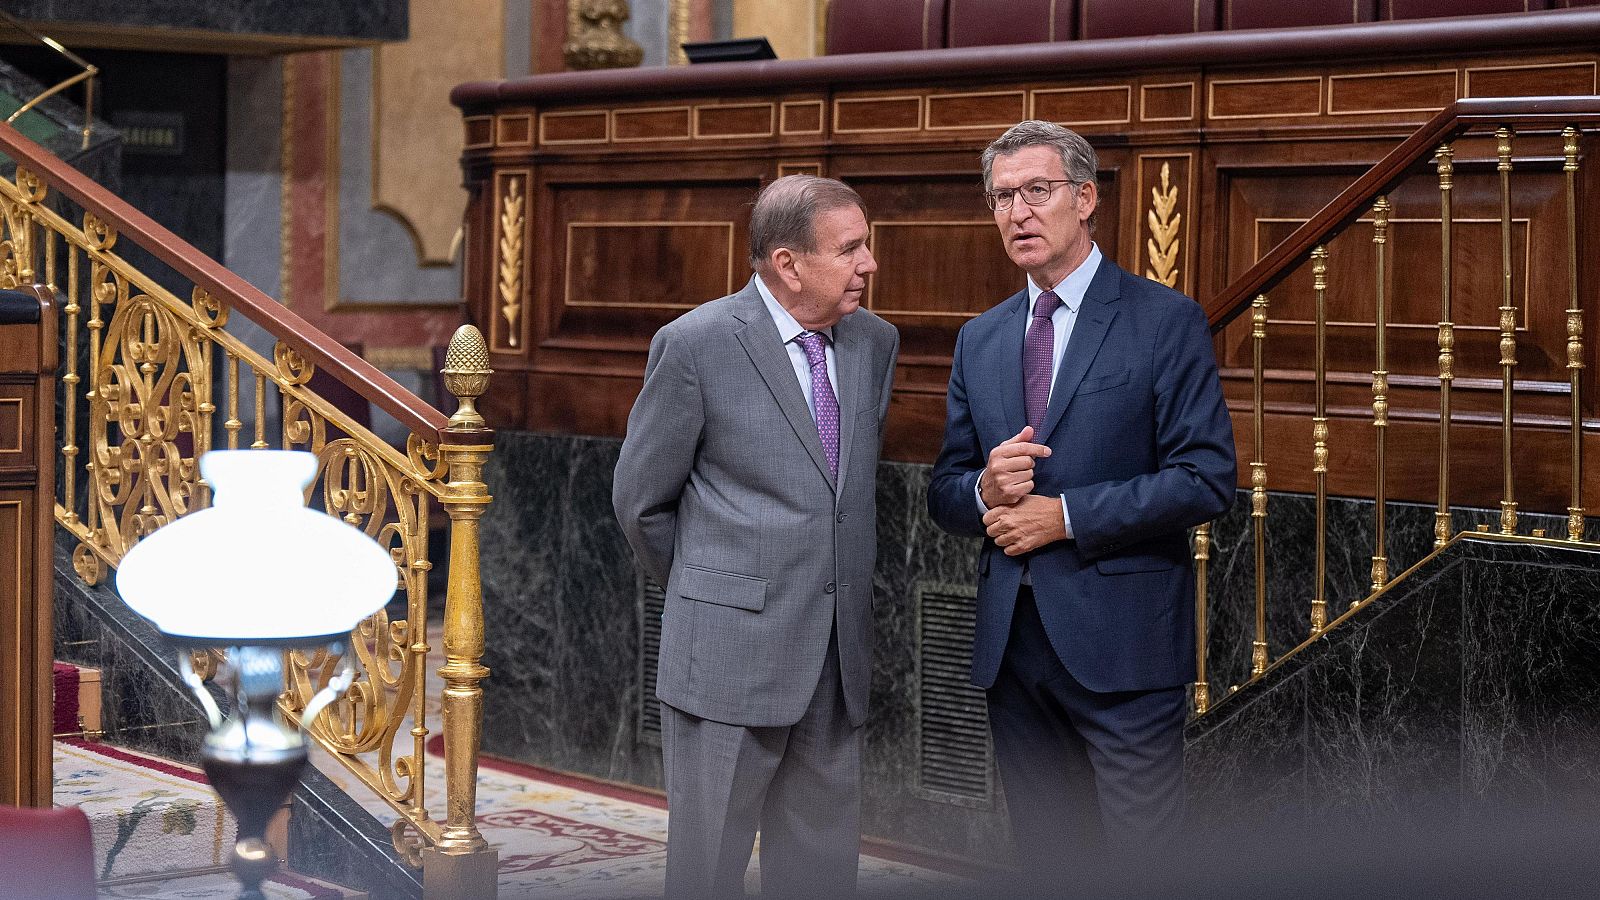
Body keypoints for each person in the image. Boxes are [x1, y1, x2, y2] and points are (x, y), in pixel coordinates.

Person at [927, 121, 1236, 864]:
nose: (1018, 213)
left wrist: (1063, 517)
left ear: (1086, 198)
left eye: (1038, 191)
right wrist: (983, 488)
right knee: (1047, 861)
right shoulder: (981, 337)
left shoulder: (1164, 321)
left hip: (1122, 646)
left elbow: (1205, 477)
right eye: (1002, 197)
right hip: (1014, 650)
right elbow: (943, 490)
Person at [613, 175, 899, 899]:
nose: (870, 264)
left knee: (821, 877)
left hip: (835, 665)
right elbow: (641, 502)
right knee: (707, 873)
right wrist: (716, 594)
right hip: (726, 662)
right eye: (851, 249)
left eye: (868, 245)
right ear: (787, 264)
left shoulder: (874, 342)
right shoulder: (695, 344)